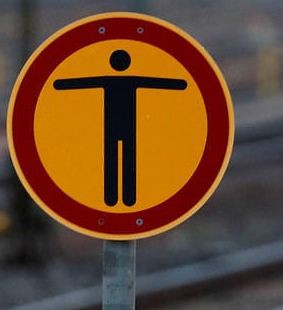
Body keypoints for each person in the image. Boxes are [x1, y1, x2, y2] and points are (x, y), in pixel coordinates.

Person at [51, 49, 187, 206]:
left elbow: (79, 83)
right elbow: (161, 83)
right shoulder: (131, 80)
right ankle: (125, 198)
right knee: (126, 160)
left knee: (113, 159)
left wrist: (58, 84)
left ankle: (113, 198)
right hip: (127, 126)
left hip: (113, 127)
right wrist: (182, 84)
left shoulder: (108, 80)